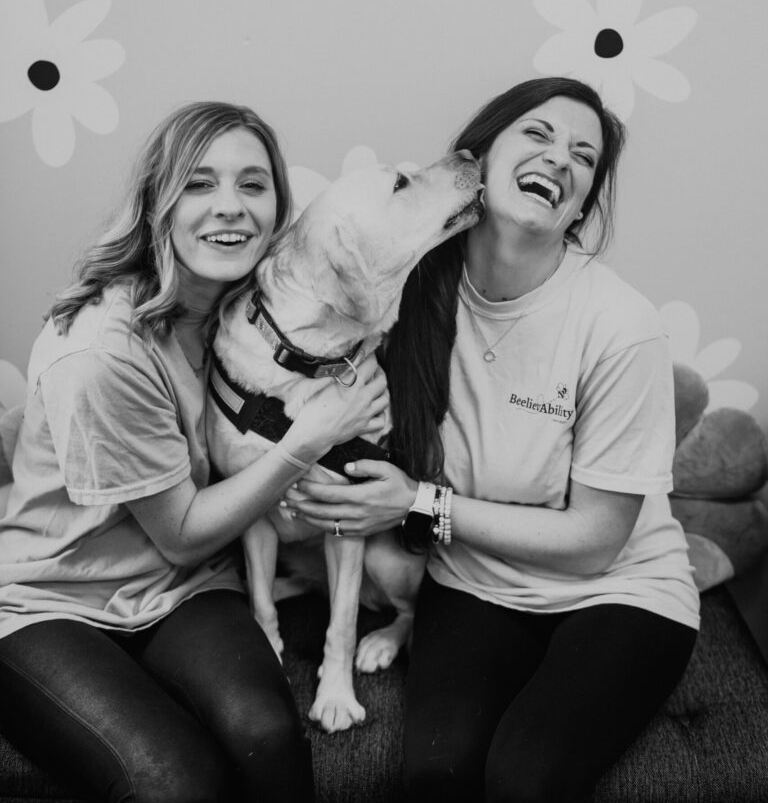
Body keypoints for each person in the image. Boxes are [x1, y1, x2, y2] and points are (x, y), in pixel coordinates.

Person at [283, 77, 700, 803]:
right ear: (479, 160)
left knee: (524, 779)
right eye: (537, 134)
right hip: (473, 582)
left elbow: (597, 539)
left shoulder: (620, 326)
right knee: (436, 776)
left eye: (583, 156)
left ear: (580, 202)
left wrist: (417, 504)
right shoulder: (401, 296)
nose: (560, 159)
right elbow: (295, 350)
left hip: (619, 591)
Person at [0, 100, 388, 803]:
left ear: (279, 211)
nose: (230, 208)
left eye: (253, 185)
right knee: (176, 782)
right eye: (200, 184)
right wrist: (313, 438)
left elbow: (345, 319)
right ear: (158, 203)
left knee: (269, 738)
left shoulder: (238, 313)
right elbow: (180, 534)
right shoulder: (102, 350)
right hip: (51, 600)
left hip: (183, 589)